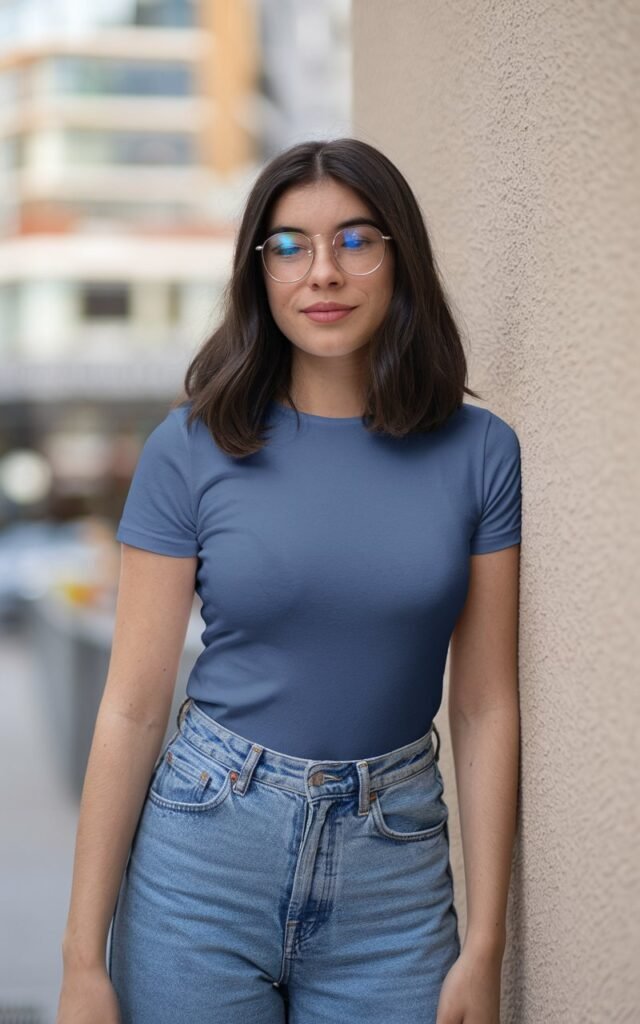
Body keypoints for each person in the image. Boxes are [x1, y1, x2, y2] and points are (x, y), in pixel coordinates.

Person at [57, 137, 521, 1024]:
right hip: (203, 857)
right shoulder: (189, 449)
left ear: (399, 259)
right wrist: (82, 960)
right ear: (258, 272)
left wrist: (486, 940)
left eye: (356, 240)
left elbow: (485, 704)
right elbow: (131, 706)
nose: (324, 273)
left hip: (395, 868)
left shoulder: (481, 453)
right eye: (290, 246)